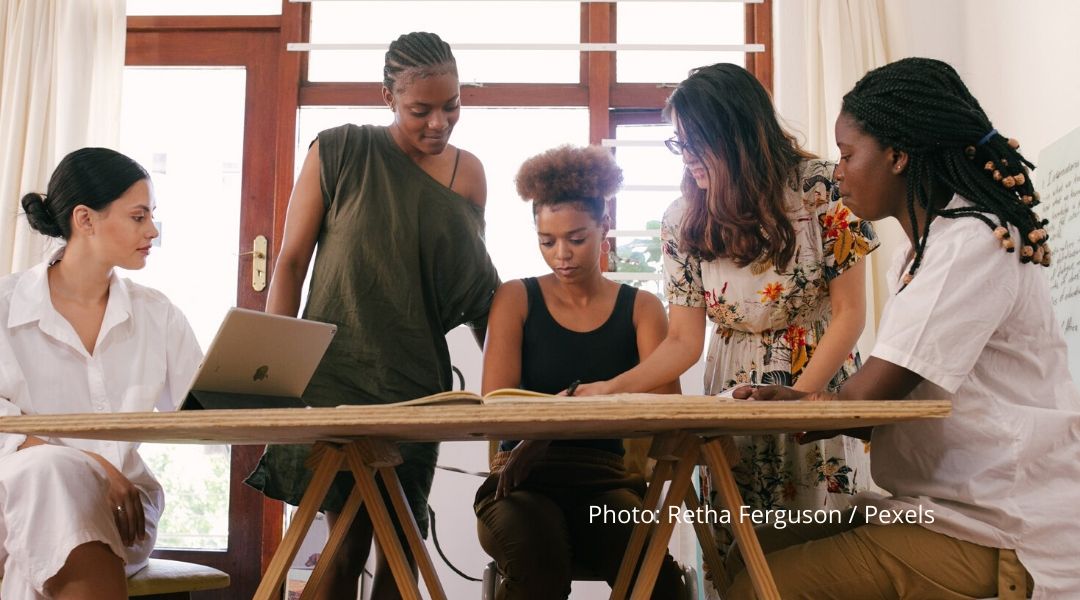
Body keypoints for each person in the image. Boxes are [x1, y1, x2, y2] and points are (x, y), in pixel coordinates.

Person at [726, 57, 1080, 599]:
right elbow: (884, 414)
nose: (838, 170)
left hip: (998, 523)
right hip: (941, 506)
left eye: (847, 154)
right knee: (747, 547)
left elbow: (874, 397)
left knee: (757, 585)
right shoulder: (921, 255)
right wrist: (801, 403)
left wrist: (798, 405)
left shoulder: (973, 244)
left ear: (896, 156)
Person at [573, 63, 879, 559]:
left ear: (738, 135)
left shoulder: (821, 189)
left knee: (826, 550)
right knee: (738, 554)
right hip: (734, 392)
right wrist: (608, 389)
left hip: (817, 381)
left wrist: (796, 402)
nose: (687, 157)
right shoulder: (683, 220)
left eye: (696, 143)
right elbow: (682, 342)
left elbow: (849, 314)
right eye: (679, 143)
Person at [243, 32, 499, 599]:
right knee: (346, 543)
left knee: (404, 548)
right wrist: (273, 376)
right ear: (387, 98)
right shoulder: (339, 150)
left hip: (416, 387)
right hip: (334, 379)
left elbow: (478, 289)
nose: (440, 122)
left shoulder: (469, 176)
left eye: (452, 104)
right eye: (420, 109)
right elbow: (288, 263)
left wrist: (512, 390)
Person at [475, 145, 686, 600]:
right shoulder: (516, 298)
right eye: (547, 241)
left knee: (659, 584)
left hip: (608, 483)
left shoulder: (641, 309)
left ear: (604, 228)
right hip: (520, 483)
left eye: (576, 238)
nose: (561, 255)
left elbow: (668, 407)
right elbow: (495, 408)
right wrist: (555, 424)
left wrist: (552, 425)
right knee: (540, 560)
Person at [0, 148, 202, 600]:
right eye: (138, 216)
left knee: (39, 532)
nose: (152, 231)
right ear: (85, 220)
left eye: (151, 216)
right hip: (12, 498)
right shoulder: (4, 307)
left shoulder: (157, 315)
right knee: (47, 472)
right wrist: (93, 466)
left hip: (123, 510)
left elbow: (203, 410)